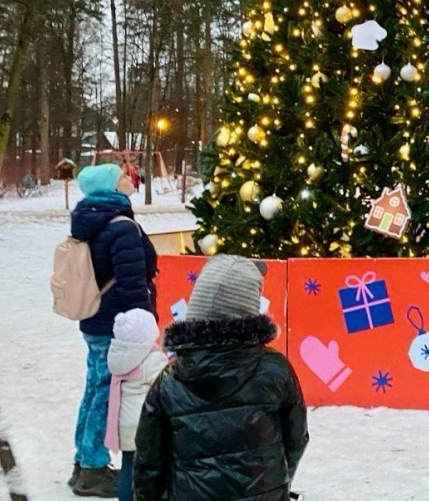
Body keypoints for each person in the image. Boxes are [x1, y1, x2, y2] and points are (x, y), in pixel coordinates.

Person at [133, 255, 309, 501]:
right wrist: (274, 482)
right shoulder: (276, 370)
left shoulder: (169, 381)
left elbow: (149, 463)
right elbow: (296, 439)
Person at [70, 164, 158, 498]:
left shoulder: (90, 219)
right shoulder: (121, 227)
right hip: (116, 322)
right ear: (111, 186)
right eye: (123, 176)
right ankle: (93, 468)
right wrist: (143, 320)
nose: (130, 178)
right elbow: (132, 282)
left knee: (95, 388)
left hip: (94, 316)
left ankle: (83, 461)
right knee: (108, 392)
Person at [104, 310, 168, 501]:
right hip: (144, 424)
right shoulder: (153, 358)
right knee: (147, 470)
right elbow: (163, 388)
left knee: (127, 468)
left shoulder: (118, 355)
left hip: (123, 424)